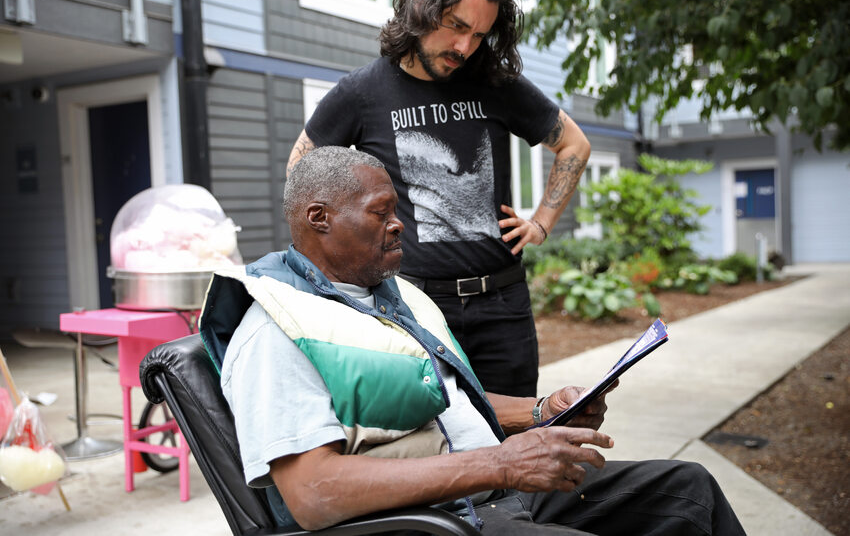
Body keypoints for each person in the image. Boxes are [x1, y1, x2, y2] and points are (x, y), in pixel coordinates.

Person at [200, 146, 745, 535]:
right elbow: (313, 493)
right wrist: (501, 465)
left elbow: (448, 403)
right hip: (433, 522)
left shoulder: (391, 296)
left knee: (687, 491)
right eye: (380, 213)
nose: (399, 226)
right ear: (319, 219)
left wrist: (541, 412)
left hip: (490, 492)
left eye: (397, 211)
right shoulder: (275, 332)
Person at [287, 0, 591, 398]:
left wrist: (540, 223)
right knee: (435, 441)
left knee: (519, 438)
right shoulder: (361, 92)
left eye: (480, 35)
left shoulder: (495, 84)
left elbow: (574, 145)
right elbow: (301, 170)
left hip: (503, 307)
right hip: (414, 308)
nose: (465, 48)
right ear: (422, 10)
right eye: (458, 27)